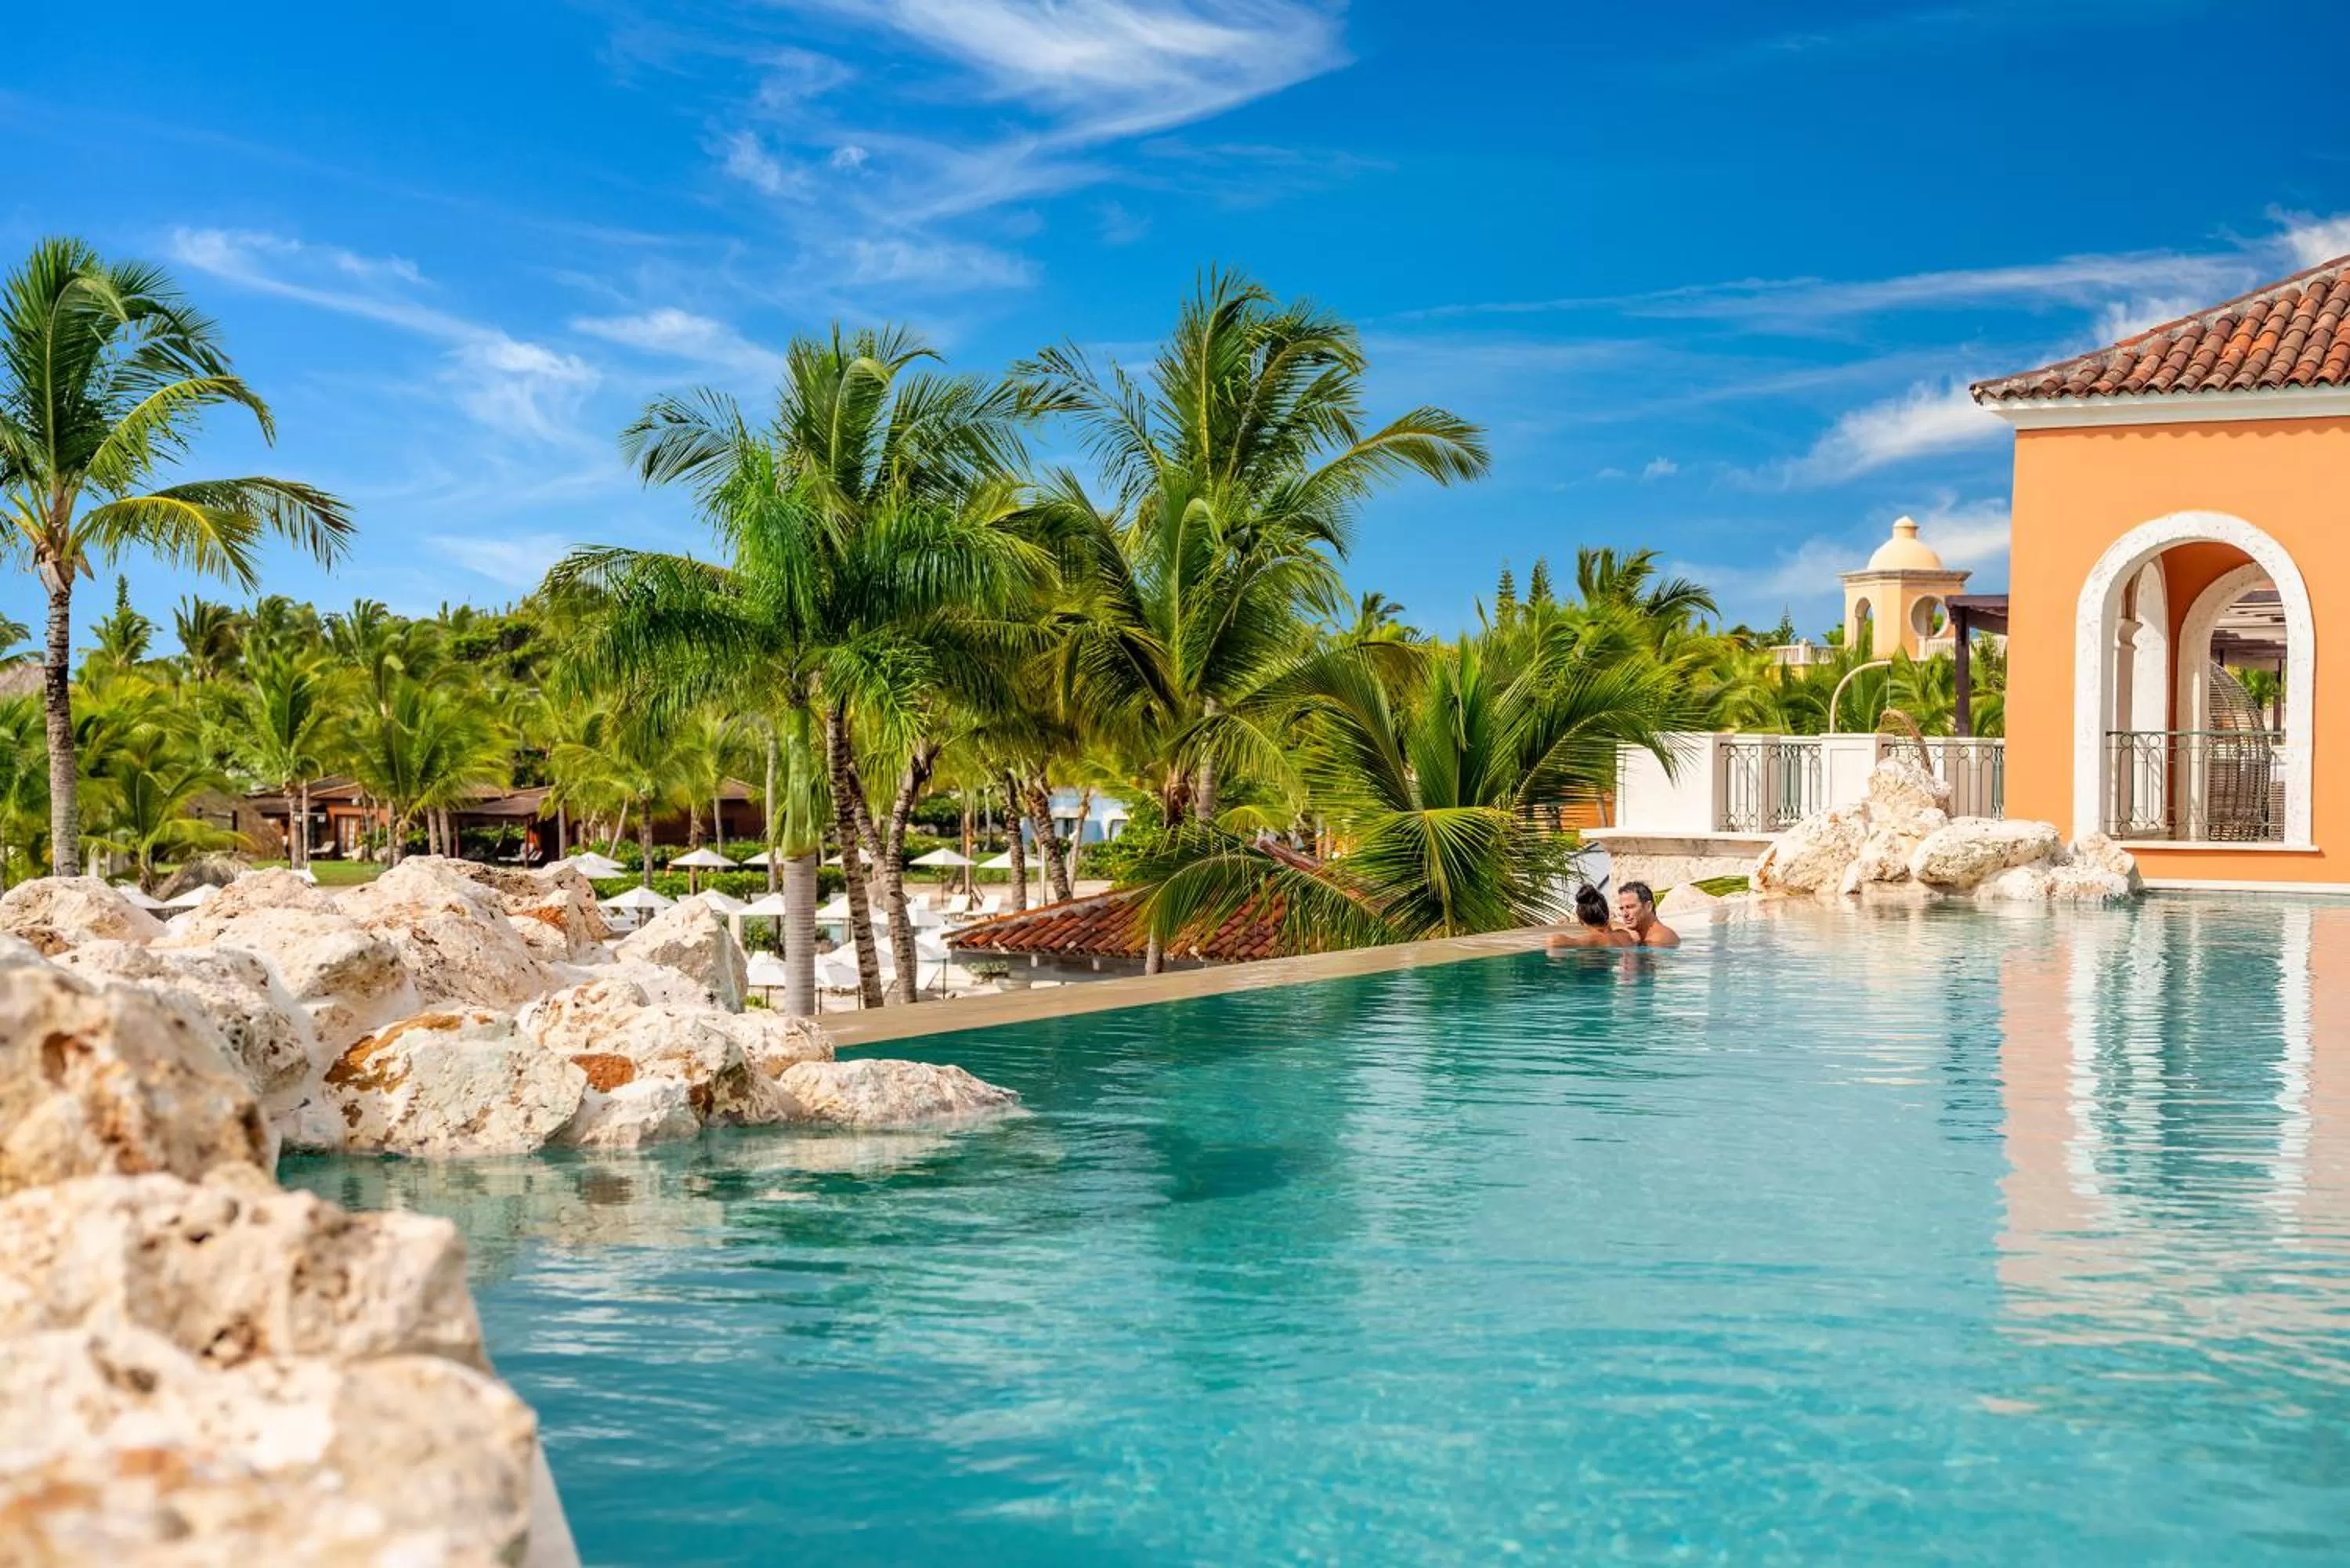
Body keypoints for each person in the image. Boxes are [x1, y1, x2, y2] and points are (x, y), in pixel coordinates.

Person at [1547, 883, 1630, 950]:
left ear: (1580, 920)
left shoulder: (1593, 941)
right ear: (1607, 913)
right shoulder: (1626, 935)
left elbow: (1553, 941)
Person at [1616, 881, 1679, 948]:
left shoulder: (1658, 941)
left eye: (1631, 907)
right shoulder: (1644, 935)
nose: (1625, 914)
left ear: (1648, 907)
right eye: (1622, 908)